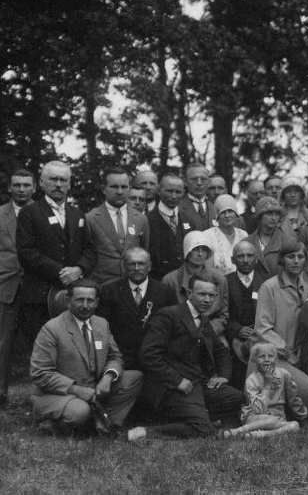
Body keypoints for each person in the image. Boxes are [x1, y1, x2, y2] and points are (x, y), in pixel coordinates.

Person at [130, 277, 243, 440]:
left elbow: (221, 352)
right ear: (189, 294)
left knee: (236, 397)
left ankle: (196, 418)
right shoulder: (169, 315)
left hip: (197, 384)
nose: (207, 300)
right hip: (171, 387)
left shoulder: (203, 319)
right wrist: (177, 381)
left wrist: (223, 376)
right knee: (204, 431)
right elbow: (149, 354)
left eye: (212, 295)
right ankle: (146, 432)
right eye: (202, 294)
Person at [29, 280, 143, 435]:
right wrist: (77, 390)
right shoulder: (51, 329)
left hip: (92, 389)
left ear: (97, 302)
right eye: (79, 300)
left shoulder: (101, 323)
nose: (85, 305)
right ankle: (55, 421)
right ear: (68, 300)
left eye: (90, 300)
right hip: (58, 393)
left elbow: (115, 357)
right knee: (79, 412)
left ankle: (108, 423)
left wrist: (108, 377)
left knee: (135, 378)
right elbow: (40, 373)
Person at [17, 161, 95, 339]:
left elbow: (90, 250)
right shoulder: (29, 213)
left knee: (71, 346)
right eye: (53, 179)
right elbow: (26, 252)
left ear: (69, 184)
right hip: (39, 297)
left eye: (63, 180)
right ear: (42, 182)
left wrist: (79, 269)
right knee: (41, 347)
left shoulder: (78, 214)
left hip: (72, 297)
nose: (58, 184)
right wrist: (60, 271)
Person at [253, 239, 308, 407]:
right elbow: (263, 329)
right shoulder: (269, 287)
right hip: (274, 357)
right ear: (282, 259)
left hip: (299, 356)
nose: (296, 261)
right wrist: (288, 354)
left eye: (300, 257)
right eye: (291, 257)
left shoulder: (306, 289)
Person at [97, 247, 177, 371]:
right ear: (124, 266)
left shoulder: (165, 292)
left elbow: (172, 329)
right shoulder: (109, 291)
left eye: (141, 264)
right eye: (132, 264)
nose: (137, 268)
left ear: (149, 266)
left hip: (156, 362)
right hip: (121, 362)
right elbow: (103, 329)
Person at [221, 342, 306, 438]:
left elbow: (294, 399)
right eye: (261, 356)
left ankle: (257, 435)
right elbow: (258, 410)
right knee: (269, 420)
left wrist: (302, 417)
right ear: (253, 361)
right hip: (256, 417)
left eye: (270, 356)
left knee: (295, 425)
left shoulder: (284, 374)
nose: (267, 360)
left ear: (276, 360)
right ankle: (239, 431)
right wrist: (267, 385)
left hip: (277, 419)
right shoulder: (251, 380)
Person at [0, 169, 34, 405]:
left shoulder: (43, 212)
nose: (21, 189)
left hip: (36, 287)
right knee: (3, 341)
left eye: (26, 185)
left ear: (34, 188)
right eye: (17, 185)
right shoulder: (1, 215)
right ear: (9, 188)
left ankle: (39, 394)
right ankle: (1, 392)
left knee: (39, 341)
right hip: (7, 285)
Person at [86, 169, 149, 284]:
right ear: (104, 189)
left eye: (124, 187)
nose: (120, 192)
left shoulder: (141, 219)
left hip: (131, 284)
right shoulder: (91, 218)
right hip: (102, 285)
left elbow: (145, 251)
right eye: (114, 187)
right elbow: (87, 255)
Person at [162, 231, 229, 337]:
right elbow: (165, 316)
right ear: (186, 251)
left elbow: (223, 315)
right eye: (195, 249)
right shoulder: (170, 280)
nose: (200, 254)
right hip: (179, 334)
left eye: (204, 250)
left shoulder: (219, 278)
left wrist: (208, 332)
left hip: (211, 333)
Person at [225, 241, 265, 375]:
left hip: (261, 339)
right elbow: (220, 314)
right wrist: (237, 329)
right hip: (233, 341)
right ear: (233, 260)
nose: (246, 260)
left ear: (256, 259)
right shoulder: (225, 282)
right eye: (240, 256)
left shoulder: (266, 282)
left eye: (250, 255)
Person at [146, 173, 187, 280]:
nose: (174, 196)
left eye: (178, 192)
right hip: (158, 279)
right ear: (159, 190)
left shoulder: (189, 220)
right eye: (169, 191)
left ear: (183, 193)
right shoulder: (147, 220)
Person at [202, 194, 248, 275]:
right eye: (222, 212)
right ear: (217, 215)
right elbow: (207, 269)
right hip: (218, 280)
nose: (227, 215)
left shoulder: (243, 235)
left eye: (230, 211)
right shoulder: (207, 236)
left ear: (236, 213)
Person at [247, 196, 288, 280]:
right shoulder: (247, 242)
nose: (273, 218)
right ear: (259, 216)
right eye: (269, 214)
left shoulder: (287, 242)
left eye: (276, 214)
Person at [178, 164, 215, 231]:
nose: (199, 183)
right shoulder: (178, 208)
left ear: (208, 182)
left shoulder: (215, 208)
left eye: (203, 179)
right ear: (185, 182)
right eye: (194, 179)